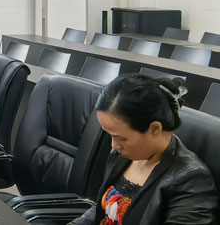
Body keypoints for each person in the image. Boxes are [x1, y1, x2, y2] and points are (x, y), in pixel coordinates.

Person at [69, 74, 218, 225]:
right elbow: (104, 209)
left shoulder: (191, 180)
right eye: (110, 135)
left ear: (154, 129)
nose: (113, 145)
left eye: (122, 138)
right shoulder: (123, 155)